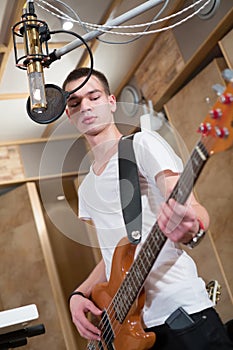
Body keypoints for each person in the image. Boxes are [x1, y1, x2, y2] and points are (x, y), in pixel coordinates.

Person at [63, 67, 232, 349]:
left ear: (112, 102)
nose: (86, 107)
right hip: (133, 332)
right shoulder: (87, 189)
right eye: (75, 103)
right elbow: (112, 256)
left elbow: (192, 209)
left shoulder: (142, 145)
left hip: (182, 314)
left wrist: (192, 227)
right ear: (69, 115)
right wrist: (79, 294)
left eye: (94, 96)